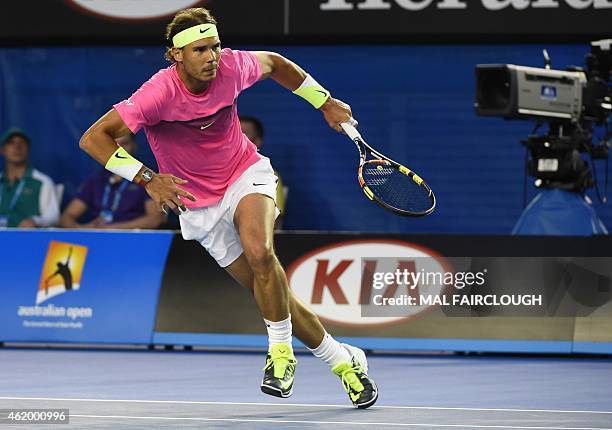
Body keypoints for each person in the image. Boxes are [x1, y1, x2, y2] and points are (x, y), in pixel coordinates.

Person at [78, 7, 377, 408]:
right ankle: (343, 361)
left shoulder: (233, 67)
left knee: (260, 253)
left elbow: (276, 64)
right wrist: (148, 178)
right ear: (176, 55)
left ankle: (280, 355)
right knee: (269, 291)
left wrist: (324, 102)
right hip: (198, 203)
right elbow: (94, 139)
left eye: (215, 46)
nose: (211, 57)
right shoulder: (157, 94)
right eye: (200, 49)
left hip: (244, 174)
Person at [60, 134, 163, 229]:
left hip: (131, 239)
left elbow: (155, 219)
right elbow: (66, 218)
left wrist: (113, 228)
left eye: (125, 144)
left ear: (134, 146)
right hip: (98, 238)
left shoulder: (148, 177)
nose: (120, 150)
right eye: (115, 145)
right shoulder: (97, 179)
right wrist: (86, 230)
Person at [0, 128, 59, 228]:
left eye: (22, 143)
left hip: (26, 239)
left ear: (29, 149)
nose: (17, 147)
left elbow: (53, 216)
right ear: (2, 150)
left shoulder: (42, 181)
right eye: (11, 143)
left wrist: (35, 221)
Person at [239, 115, 286, 229]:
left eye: (244, 133)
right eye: (234, 133)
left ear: (257, 141)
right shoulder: (214, 173)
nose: (238, 138)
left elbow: (275, 221)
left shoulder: (270, 175)